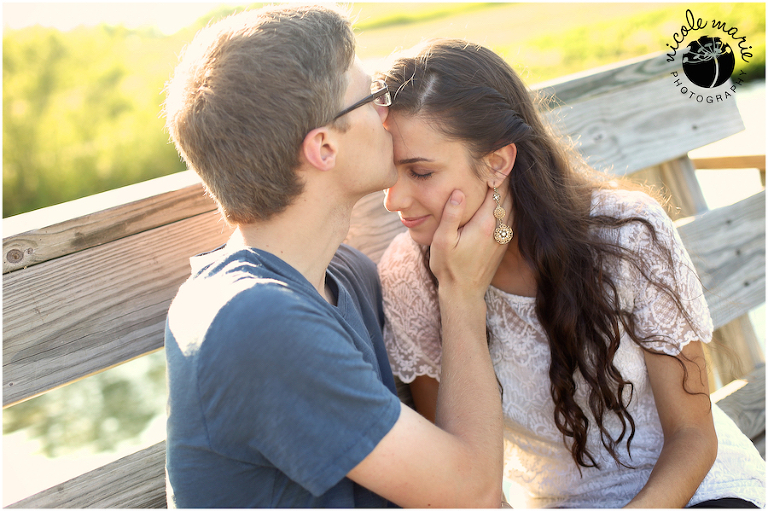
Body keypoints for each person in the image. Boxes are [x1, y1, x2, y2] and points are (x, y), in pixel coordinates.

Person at [377, 38, 765, 508]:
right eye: (389, 172)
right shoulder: (411, 274)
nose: (393, 200)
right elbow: (460, 480)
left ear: (497, 162)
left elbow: (693, 435)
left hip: (689, 491)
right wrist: (460, 293)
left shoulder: (626, 233)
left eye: (420, 173)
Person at [162, 6, 508, 508]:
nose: (388, 114)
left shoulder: (346, 274)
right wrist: (462, 292)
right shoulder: (252, 322)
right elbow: (473, 495)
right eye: (372, 97)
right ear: (324, 147)